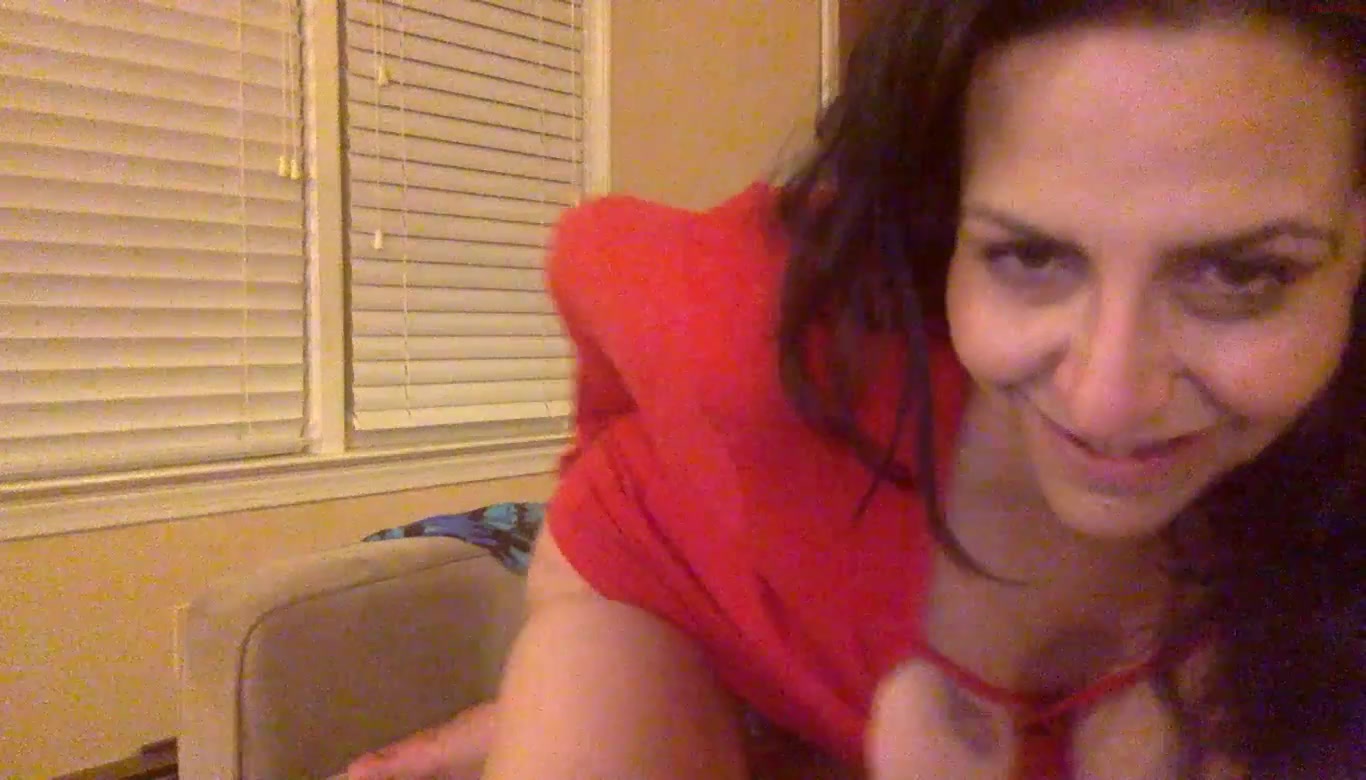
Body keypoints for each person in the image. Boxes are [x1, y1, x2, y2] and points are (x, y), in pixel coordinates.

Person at [348, 1, 1364, 778]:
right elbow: (590, 261)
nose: (1107, 397)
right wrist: (595, 671)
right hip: (675, 598)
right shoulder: (768, 328)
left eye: (1243, 274)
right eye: (1028, 255)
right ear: (944, 227)